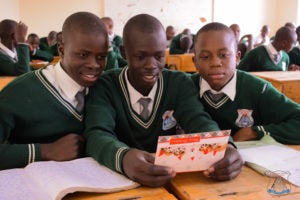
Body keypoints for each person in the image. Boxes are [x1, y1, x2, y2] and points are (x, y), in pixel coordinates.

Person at [84, 14, 243, 187]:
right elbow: (96, 133)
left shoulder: (178, 82)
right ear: (124, 52)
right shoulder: (106, 85)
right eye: (140, 56)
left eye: (159, 56)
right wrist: (123, 158)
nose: (151, 65)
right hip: (121, 180)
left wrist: (224, 145)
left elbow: (197, 119)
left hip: (171, 179)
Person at [0, 11, 109, 170]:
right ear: (62, 50)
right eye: (83, 54)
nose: (94, 64)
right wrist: (45, 151)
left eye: (101, 56)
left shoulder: (104, 86)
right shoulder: (18, 92)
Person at [191, 22, 300, 144]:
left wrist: (254, 132)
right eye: (205, 57)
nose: (215, 62)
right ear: (195, 61)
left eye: (224, 55)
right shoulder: (186, 86)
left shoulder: (258, 89)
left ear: (237, 58)